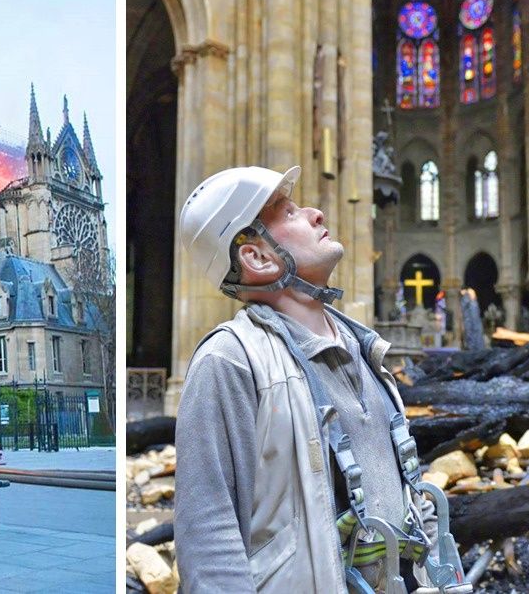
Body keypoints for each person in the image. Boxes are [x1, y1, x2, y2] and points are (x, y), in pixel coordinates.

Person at [175, 166, 469, 593]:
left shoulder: (363, 347)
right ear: (257, 257)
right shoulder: (230, 361)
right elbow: (209, 539)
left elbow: (409, 489)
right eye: (289, 212)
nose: (314, 213)